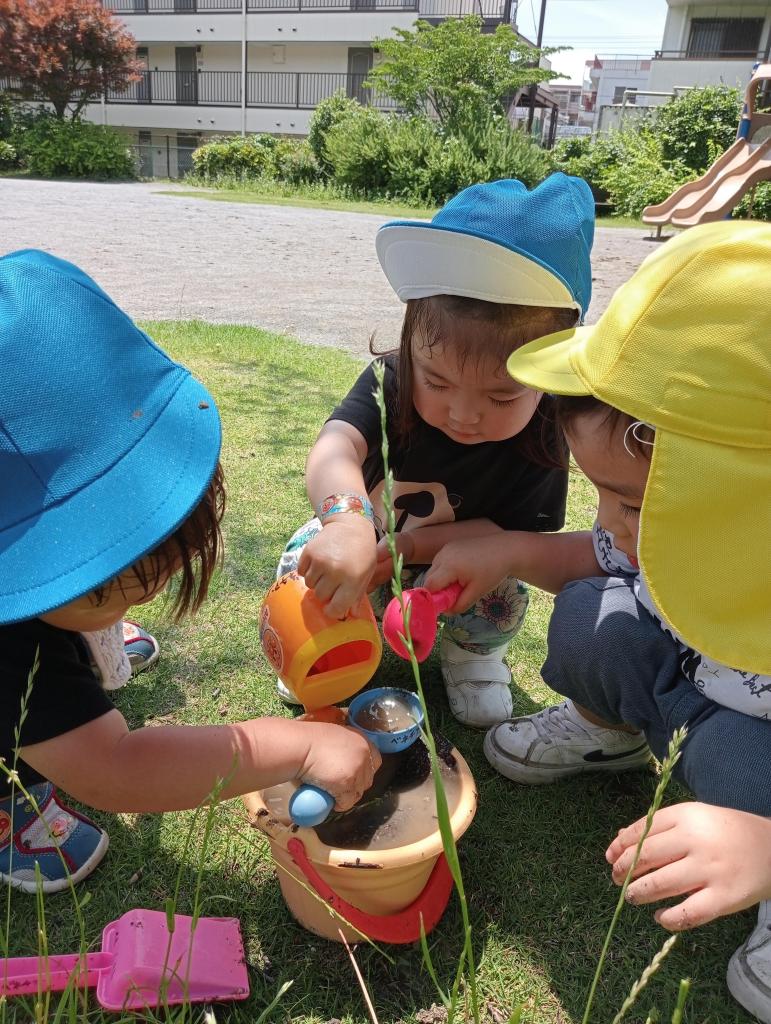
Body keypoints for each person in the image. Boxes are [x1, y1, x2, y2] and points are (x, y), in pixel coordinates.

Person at [423, 220, 771, 1021]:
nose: (610, 523)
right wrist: (509, 551)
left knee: (741, 764)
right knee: (590, 612)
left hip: (747, 744)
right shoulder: (656, 532)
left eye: (635, 505)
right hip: (686, 688)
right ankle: (606, 731)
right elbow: (593, 557)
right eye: (602, 494)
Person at [0, 249, 379, 894]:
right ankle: (11, 813)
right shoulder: (12, 650)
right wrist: (302, 746)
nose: (149, 587)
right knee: (38, 722)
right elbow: (118, 768)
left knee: (70, 633)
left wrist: (92, 611)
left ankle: (90, 638)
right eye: (99, 583)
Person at [276, 174, 595, 728]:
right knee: (306, 554)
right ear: (410, 345)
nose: (463, 414)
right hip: (366, 540)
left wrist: (410, 546)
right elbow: (335, 446)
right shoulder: (391, 381)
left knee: (503, 593)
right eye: (438, 382)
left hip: (461, 566)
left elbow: (508, 535)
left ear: (548, 376)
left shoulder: (544, 427)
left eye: (501, 396)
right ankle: (324, 638)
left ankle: (472, 654)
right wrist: (347, 522)